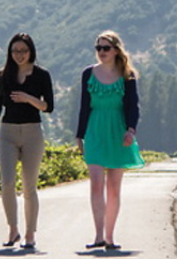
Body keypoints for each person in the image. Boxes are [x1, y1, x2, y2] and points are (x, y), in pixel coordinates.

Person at [76, 30, 145, 250]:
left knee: (114, 188)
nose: (101, 52)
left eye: (106, 48)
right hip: (95, 130)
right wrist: (79, 135)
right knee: (96, 184)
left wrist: (131, 130)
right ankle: (97, 235)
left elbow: (133, 106)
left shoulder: (127, 75)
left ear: (116, 50)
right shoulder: (88, 74)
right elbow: (84, 106)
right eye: (98, 48)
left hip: (118, 131)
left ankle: (110, 237)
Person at [0, 33, 54, 249]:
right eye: (15, 51)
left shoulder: (42, 75)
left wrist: (28, 98)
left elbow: (48, 106)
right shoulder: (3, 75)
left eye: (23, 51)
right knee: (7, 183)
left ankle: (30, 233)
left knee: (29, 187)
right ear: (10, 52)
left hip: (33, 132)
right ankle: (13, 228)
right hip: (7, 133)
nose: (20, 55)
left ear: (31, 51)